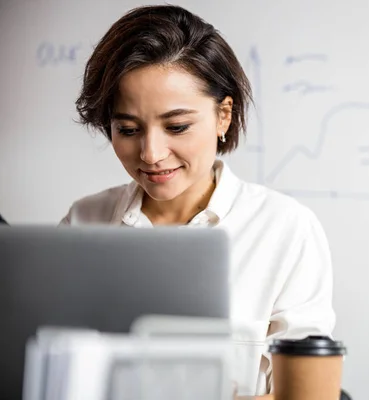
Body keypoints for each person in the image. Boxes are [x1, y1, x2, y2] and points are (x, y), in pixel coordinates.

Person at [58, 4, 335, 399]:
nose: (151, 153)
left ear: (224, 116)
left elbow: (309, 394)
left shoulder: (285, 229)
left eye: (177, 127)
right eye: (128, 129)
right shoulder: (84, 222)